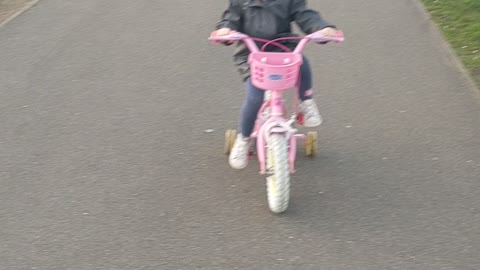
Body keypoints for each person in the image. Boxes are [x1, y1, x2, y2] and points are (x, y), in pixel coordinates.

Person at [211, 0, 340, 169]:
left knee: (302, 63)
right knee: (255, 98)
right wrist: (225, 31)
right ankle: (243, 138)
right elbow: (230, 18)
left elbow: (305, 15)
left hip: (282, 49)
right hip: (252, 55)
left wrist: (322, 28)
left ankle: (306, 102)